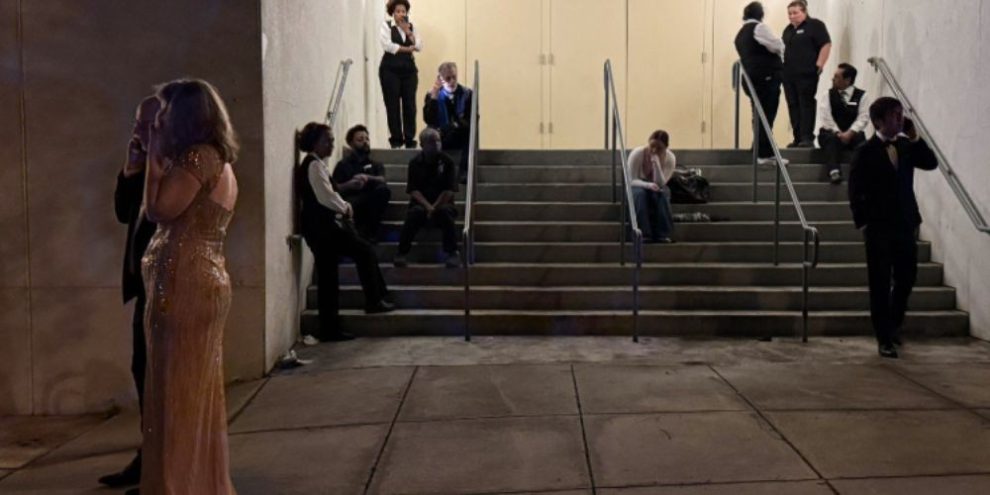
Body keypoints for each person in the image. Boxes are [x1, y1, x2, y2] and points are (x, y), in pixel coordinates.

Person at [140, 79, 239, 494]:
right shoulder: (220, 160)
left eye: (163, 111)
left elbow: (159, 210)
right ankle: (199, 481)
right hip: (204, 277)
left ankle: (179, 485)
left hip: (185, 283)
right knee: (195, 393)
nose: (158, 118)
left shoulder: (198, 158)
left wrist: (151, 160)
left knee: (176, 396)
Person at [848, 97, 938, 359]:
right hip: (879, 227)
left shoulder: (905, 146)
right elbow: (855, 188)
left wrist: (914, 136)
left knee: (907, 278)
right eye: (894, 115)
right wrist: (863, 220)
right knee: (879, 282)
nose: (900, 119)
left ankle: (894, 323)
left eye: (901, 114)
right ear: (879, 121)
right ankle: (884, 337)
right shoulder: (866, 150)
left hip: (905, 223)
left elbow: (930, 162)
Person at [99, 96, 159, 491]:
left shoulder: (178, 167)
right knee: (142, 371)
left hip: (170, 282)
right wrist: (131, 167)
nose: (136, 128)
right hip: (144, 284)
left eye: (144, 122)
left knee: (158, 377)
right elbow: (124, 212)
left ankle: (156, 462)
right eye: (136, 120)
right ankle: (148, 454)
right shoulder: (145, 166)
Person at [296, 122, 394, 343]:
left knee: (329, 277)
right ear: (314, 143)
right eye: (327, 140)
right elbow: (325, 196)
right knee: (363, 251)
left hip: (318, 227)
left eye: (331, 140)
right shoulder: (313, 165)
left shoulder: (316, 164)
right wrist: (346, 207)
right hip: (322, 228)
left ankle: (330, 328)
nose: (331, 144)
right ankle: (373, 301)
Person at [395, 128, 460, 268]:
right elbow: (413, 190)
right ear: (422, 144)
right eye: (431, 142)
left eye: (438, 141)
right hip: (421, 204)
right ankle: (401, 253)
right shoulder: (414, 163)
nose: (436, 144)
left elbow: (449, 190)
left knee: (445, 213)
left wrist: (434, 207)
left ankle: (453, 253)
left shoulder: (447, 162)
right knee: (414, 214)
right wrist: (428, 207)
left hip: (443, 203)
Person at [734, 2, 789, 167]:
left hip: (751, 78)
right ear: (760, 14)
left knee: (759, 113)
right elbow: (777, 45)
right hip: (766, 76)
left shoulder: (740, 34)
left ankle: (758, 147)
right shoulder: (759, 28)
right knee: (766, 114)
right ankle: (764, 154)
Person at [782, 0, 831, 148]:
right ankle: (797, 138)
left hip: (807, 73)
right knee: (793, 105)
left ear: (804, 12)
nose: (792, 16)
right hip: (788, 75)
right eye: (789, 13)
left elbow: (826, 44)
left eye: (795, 13)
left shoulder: (815, 25)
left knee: (806, 104)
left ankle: (807, 138)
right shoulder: (787, 30)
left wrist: (820, 64)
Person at [333, 124, 391, 242]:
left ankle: (370, 233)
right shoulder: (343, 165)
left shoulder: (376, 164)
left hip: (371, 201)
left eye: (367, 139)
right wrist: (349, 184)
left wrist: (367, 177)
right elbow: (334, 188)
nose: (365, 142)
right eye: (360, 139)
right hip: (353, 201)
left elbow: (382, 179)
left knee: (383, 190)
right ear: (351, 144)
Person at [379, 0, 422, 149]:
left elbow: (419, 46)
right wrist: (407, 49)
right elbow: (388, 46)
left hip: (408, 70)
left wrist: (408, 32)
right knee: (392, 105)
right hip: (390, 69)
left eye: (403, 11)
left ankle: (410, 139)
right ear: (393, 12)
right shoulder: (386, 26)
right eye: (398, 11)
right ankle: (396, 140)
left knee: (410, 105)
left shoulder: (412, 26)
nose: (401, 14)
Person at [818, 63, 869, 184]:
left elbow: (863, 117)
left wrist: (850, 133)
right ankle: (834, 171)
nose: (832, 79)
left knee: (862, 140)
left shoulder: (862, 96)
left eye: (836, 76)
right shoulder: (828, 94)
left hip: (852, 134)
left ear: (847, 80)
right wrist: (838, 133)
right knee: (830, 139)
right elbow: (826, 116)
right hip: (832, 133)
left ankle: (861, 173)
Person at [423, 61, 474, 180]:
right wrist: (434, 98)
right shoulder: (432, 94)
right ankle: (433, 171)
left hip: (458, 133)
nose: (452, 81)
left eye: (454, 77)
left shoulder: (466, 94)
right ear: (440, 78)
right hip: (441, 135)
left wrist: (454, 125)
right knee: (428, 134)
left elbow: (471, 119)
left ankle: (464, 172)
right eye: (448, 78)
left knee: (469, 132)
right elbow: (428, 119)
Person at [627, 130, 677, 244]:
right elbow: (630, 180)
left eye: (659, 148)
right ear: (648, 143)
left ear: (666, 148)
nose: (654, 150)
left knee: (662, 193)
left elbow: (660, 183)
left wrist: (657, 165)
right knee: (640, 194)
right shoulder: (638, 154)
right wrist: (648, 185)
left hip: (656, 185)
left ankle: (663, 233)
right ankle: (642, 233)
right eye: (652, 146)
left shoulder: (670, 158)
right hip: (637, 184)